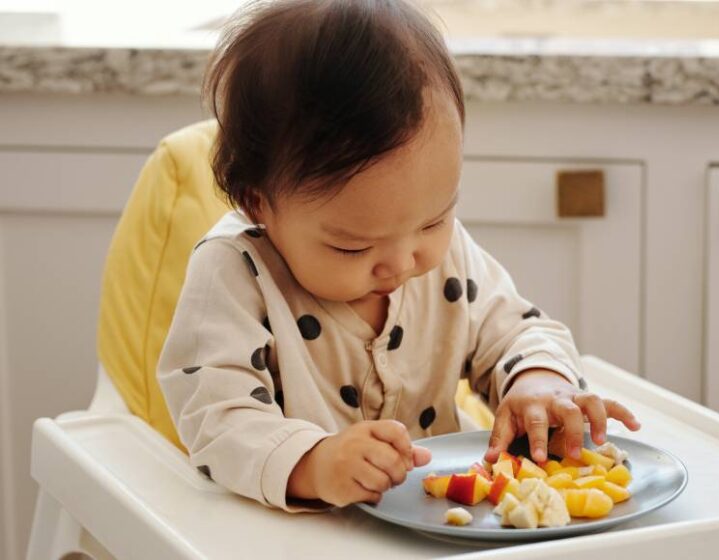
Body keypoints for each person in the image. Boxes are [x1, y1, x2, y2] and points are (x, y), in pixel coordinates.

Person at [157, 0, 640, 512]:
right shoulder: (234, 275)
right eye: (353, 245)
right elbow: (216, 416)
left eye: (433, 219)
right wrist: (312, 463)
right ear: (259, 203)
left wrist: (538, 381)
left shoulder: (445, 255)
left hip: (448, 525)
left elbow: (517, 330)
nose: (402, 263)